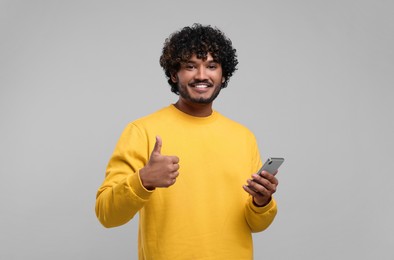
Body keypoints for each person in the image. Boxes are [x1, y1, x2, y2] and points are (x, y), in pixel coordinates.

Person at [95, 23, 279, 260]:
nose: (201, 75)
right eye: (190, 66)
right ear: (174, 74)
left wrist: (262, 201)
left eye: (212, 66)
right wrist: (143, 180)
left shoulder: (243, 137)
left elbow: (256, 224)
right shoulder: (142, 131)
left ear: (223, 75)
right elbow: (106, 215)